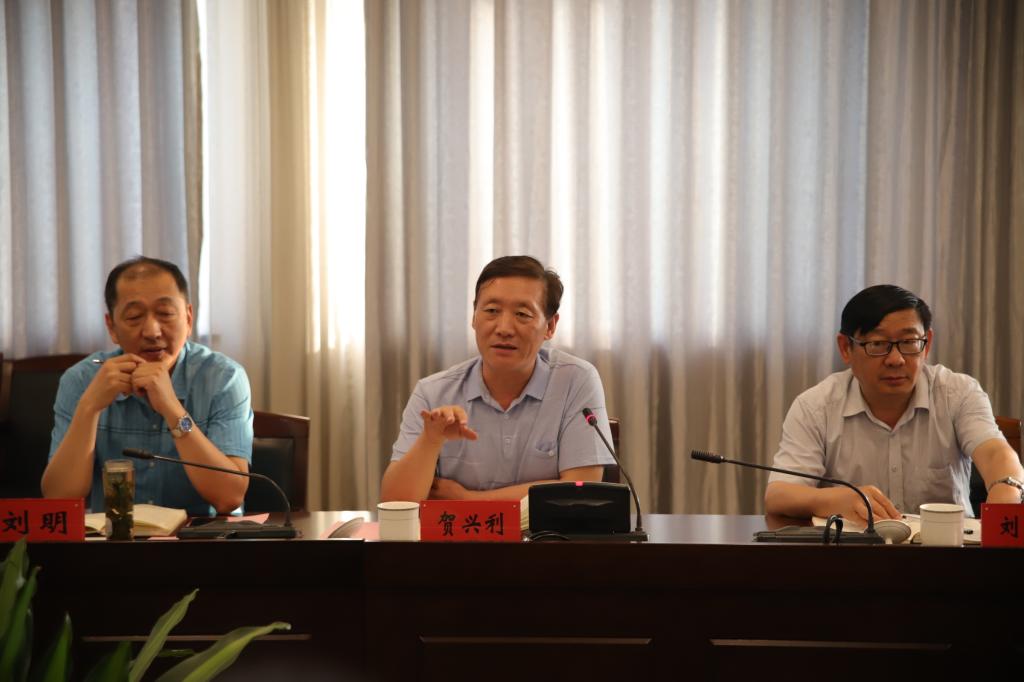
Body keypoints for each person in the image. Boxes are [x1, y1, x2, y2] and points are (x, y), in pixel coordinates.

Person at [765, 284, 1023, 525]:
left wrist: (1006, 491)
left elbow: (995, 453)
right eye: (878, 344)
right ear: (845, 348)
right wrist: (835, 499)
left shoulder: (957, 393)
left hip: (946, 550)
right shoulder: (815, 406)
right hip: (854, 552)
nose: (896, 359)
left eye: (909, 342)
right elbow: (779, 495)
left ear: (926, 344)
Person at [380, 255, 615, 502]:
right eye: (491, 311)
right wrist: (430, 440)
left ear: (550, 326)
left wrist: (468, 501)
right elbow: (395, 503)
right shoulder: (432, 393)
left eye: (522, 314)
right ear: (474, 317)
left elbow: (580, 489)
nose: (504, 328)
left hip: (544, 531)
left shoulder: (576, 380)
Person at [41, 256, 253, 516]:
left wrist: (172, 408)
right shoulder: (81, 380)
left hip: (201, 537)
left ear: (188, 319)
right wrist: (89, 408)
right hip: (116, 537)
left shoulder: (223, 378)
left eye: (165, 314)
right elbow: (59, 498)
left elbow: (229, 497)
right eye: (134, 317)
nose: (152, 331)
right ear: (112, 327)